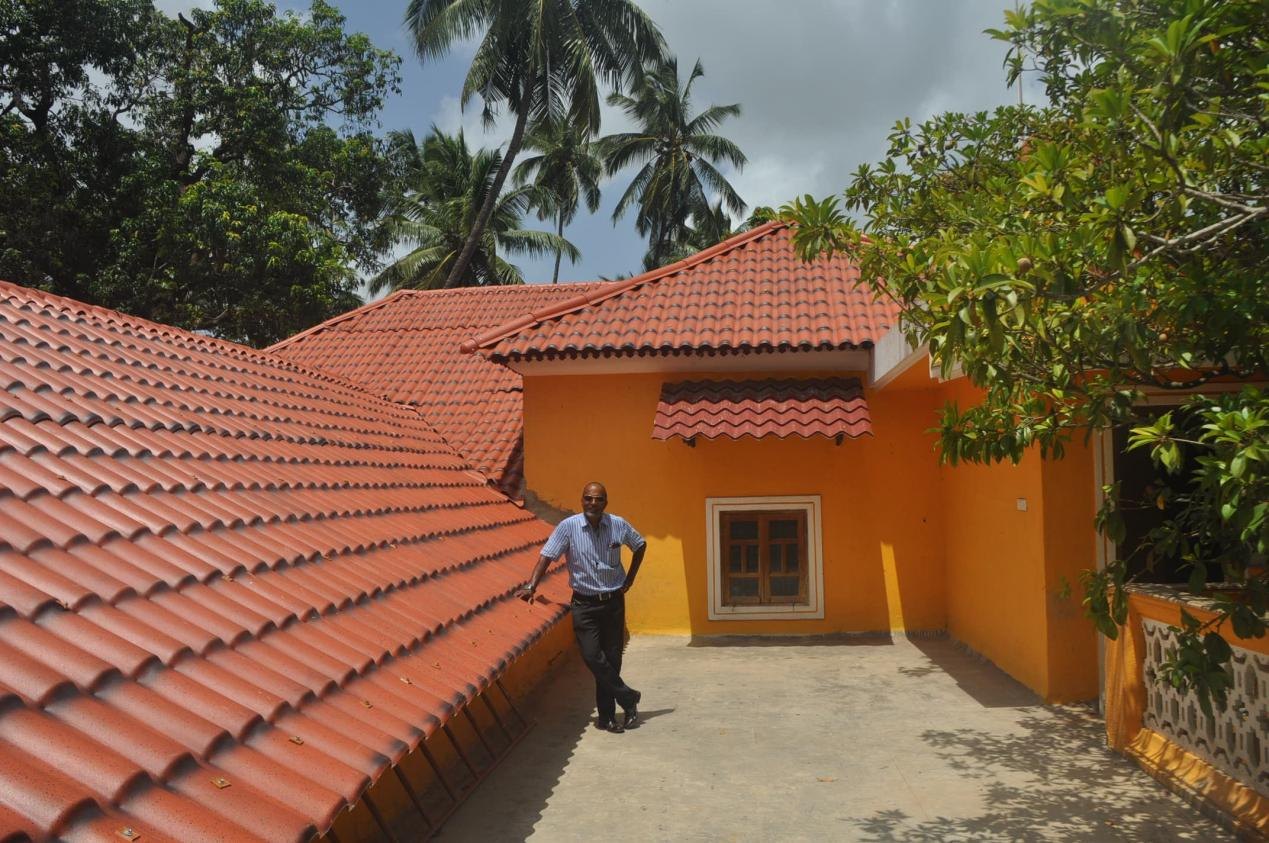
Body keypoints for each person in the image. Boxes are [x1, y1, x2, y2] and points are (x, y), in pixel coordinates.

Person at [519, 481, 646, 733]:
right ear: (581, 500)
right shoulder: (568, 527)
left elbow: (640, 545)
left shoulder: (618, 524)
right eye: (588, 498)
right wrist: (531, 586)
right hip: (584, 605)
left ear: (606, 502)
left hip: (613, 602)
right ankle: (628, 697)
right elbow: (547, 555)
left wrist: (630, 578)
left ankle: (608, 717)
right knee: (592, 656)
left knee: (611, 661)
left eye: (598, 499)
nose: (593, 503)